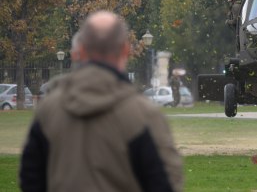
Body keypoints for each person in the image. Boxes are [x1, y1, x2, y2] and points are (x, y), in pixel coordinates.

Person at [20, 11, 183, 192]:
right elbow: (165, 183)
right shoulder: (143, 115)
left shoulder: (49, 110)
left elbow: (30, 179)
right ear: (126, 50)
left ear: (79, 51)